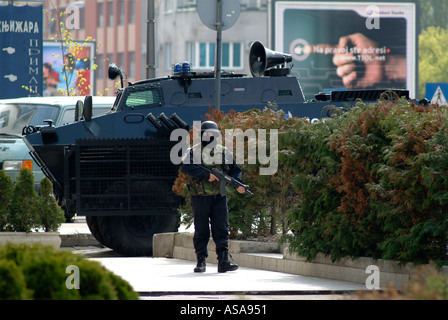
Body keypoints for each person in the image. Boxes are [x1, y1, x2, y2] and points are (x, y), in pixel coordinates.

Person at [180, 121, 247, 273]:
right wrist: (206, 175)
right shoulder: (193, 151)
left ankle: (223, 261)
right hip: (200, 196)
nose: (210, 136)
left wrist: (239, 184)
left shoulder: (223, 151)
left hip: (219, 196)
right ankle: (201, 261)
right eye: (207, 134)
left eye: (213, 134)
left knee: (221, 228)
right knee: (202, 230)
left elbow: (235, 170)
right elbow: (186, 167)